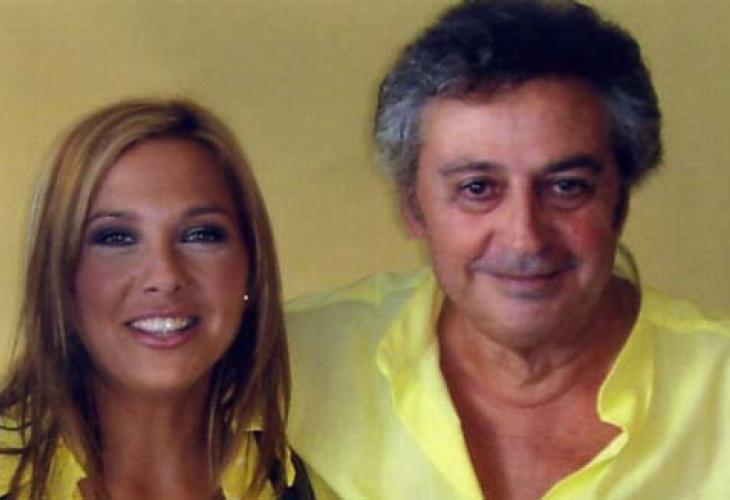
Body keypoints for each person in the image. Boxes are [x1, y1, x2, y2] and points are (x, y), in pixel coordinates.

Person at [286, 1, 730, 499]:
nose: (525, 238)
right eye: (477, 188)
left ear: (619, 202)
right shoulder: (294, 364)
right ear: (413, 206)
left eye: (566, 187)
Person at [0, 99, 313, 499]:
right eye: (116, 238)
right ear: (57, 276)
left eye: (200, 235)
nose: (165, 276)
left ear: (251, 268)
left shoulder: (307, 478)